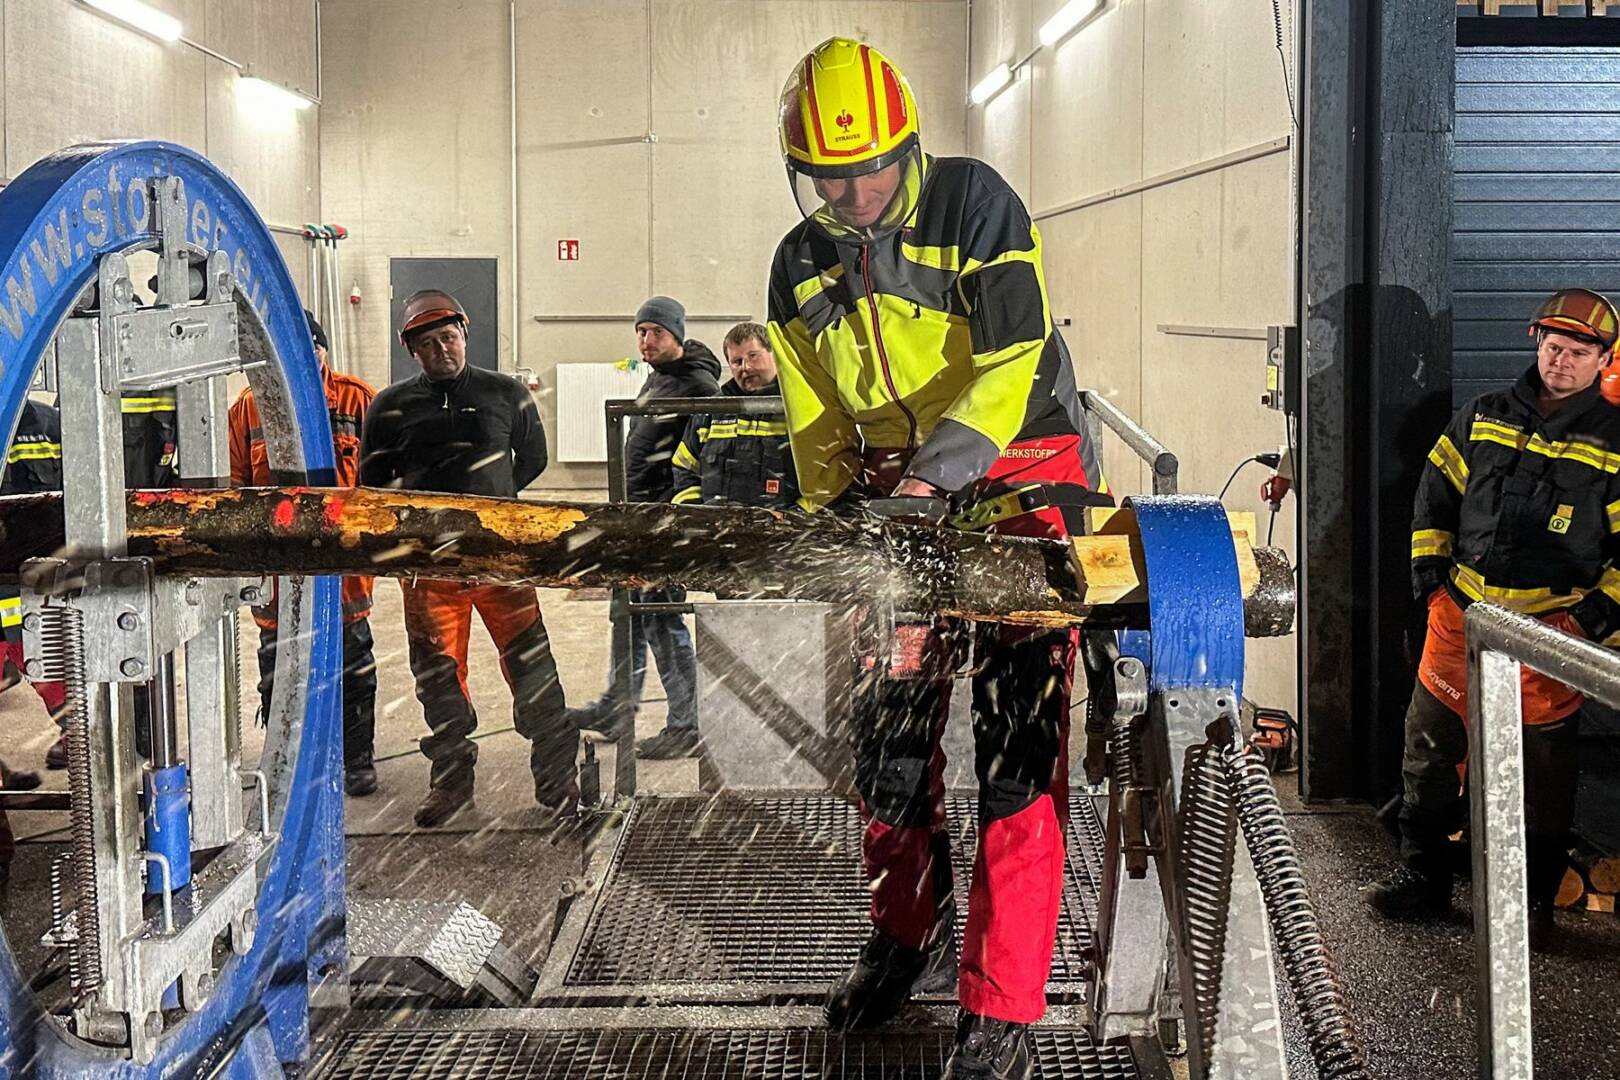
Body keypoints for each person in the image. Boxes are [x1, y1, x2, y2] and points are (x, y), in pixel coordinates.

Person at [767, 38, 1107, 1080]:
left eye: (872, 169)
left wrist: (933, 479)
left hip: (1020, 478)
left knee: (1017, 747)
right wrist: (834, 519)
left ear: (908, 148)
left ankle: (1002, 1003)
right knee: (890, 740)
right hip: (895, 499)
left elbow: (1012, 359)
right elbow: (813, 412)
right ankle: (903, 934)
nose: (856, 195)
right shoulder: (798, 264)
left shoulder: (977, 205)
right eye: (830, 179)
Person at [1366, 288, 1620, 952]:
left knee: (1537, 781)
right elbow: (1433, 500)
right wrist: (1433, 588)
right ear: (1537, 342)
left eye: (1578, 352)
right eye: (1553, 346)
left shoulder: (1615, 443)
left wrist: (1584, 626)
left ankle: (1529, 906)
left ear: (1603, 360)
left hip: (1547, 639)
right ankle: (1423, 878)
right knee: (1428, 754)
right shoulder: (1482, 416)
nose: (1561, 360)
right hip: (1462, 621)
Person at [359, 289, 574, 828]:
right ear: (412, 350)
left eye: (449, 337)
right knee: (438, 677)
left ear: (465, 333)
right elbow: (374, 482)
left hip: (501, 560)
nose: (442, 350)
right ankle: (451, 782)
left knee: (532, 667)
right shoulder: (389, 407)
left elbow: (533, 458)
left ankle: (557, 780)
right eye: (429, 343)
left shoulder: (506, 393)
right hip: (429, 567)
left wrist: (492, 508)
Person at [229, 310, 380, 797]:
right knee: (279, 671)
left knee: (353, 666)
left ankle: (356, 758)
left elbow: (381, 482)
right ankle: (286, 760)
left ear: (322, 349)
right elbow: (234, 488)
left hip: (344, 571)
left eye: (310, 348)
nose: (301, 359)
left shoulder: (359, 400)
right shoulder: (247, 408)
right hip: (278, 573)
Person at [567, 297, 721, 760]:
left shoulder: (698, 385)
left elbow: (702, 457)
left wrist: (674, 518)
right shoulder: (661, 376)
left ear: (677, 335)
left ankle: (686, 724)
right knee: (627, 615)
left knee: (660, 618)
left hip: (661, 522)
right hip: (635, 517)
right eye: (641, 331)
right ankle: (619, 707)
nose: (646, 340)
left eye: (656, 332)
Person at [669, 322, 797, 509]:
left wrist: (795, 518)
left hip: (781, 526)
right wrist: (695, 512)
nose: (746, 367)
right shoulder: (712, 411)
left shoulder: (797, 407)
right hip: (717, 525)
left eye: (753, 356)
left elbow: (820, 476)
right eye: (737, 362)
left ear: (774, 354)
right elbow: (684, 467)